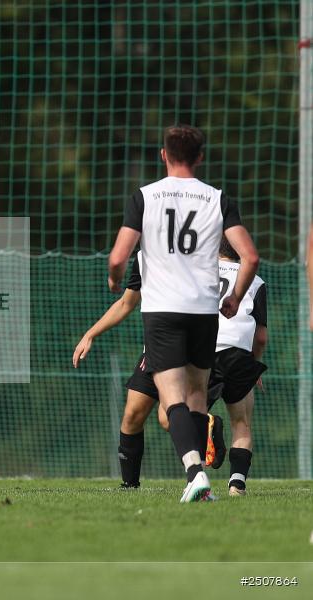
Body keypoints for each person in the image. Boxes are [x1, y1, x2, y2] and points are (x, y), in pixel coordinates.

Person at [107, 124, 259, 502]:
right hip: (204, 312)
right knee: (196, 398)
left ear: (163, 154)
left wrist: (114, 278)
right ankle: (201, 484)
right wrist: (236, 297)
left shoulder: (145, 196)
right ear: (200, 157)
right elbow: (250, 257)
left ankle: (194, 472)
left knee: (171, 397)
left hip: (163, 310)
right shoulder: (217, 198)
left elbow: (118, 257)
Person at [75, 238, 267, 497]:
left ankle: (198, 469)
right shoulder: (146, 257)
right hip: (159, 347)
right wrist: (91, 334)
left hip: (186, 346)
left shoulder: (194, 260)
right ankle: (131, 485)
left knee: (170, 415)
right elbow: (126, 303)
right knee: (136, 414)